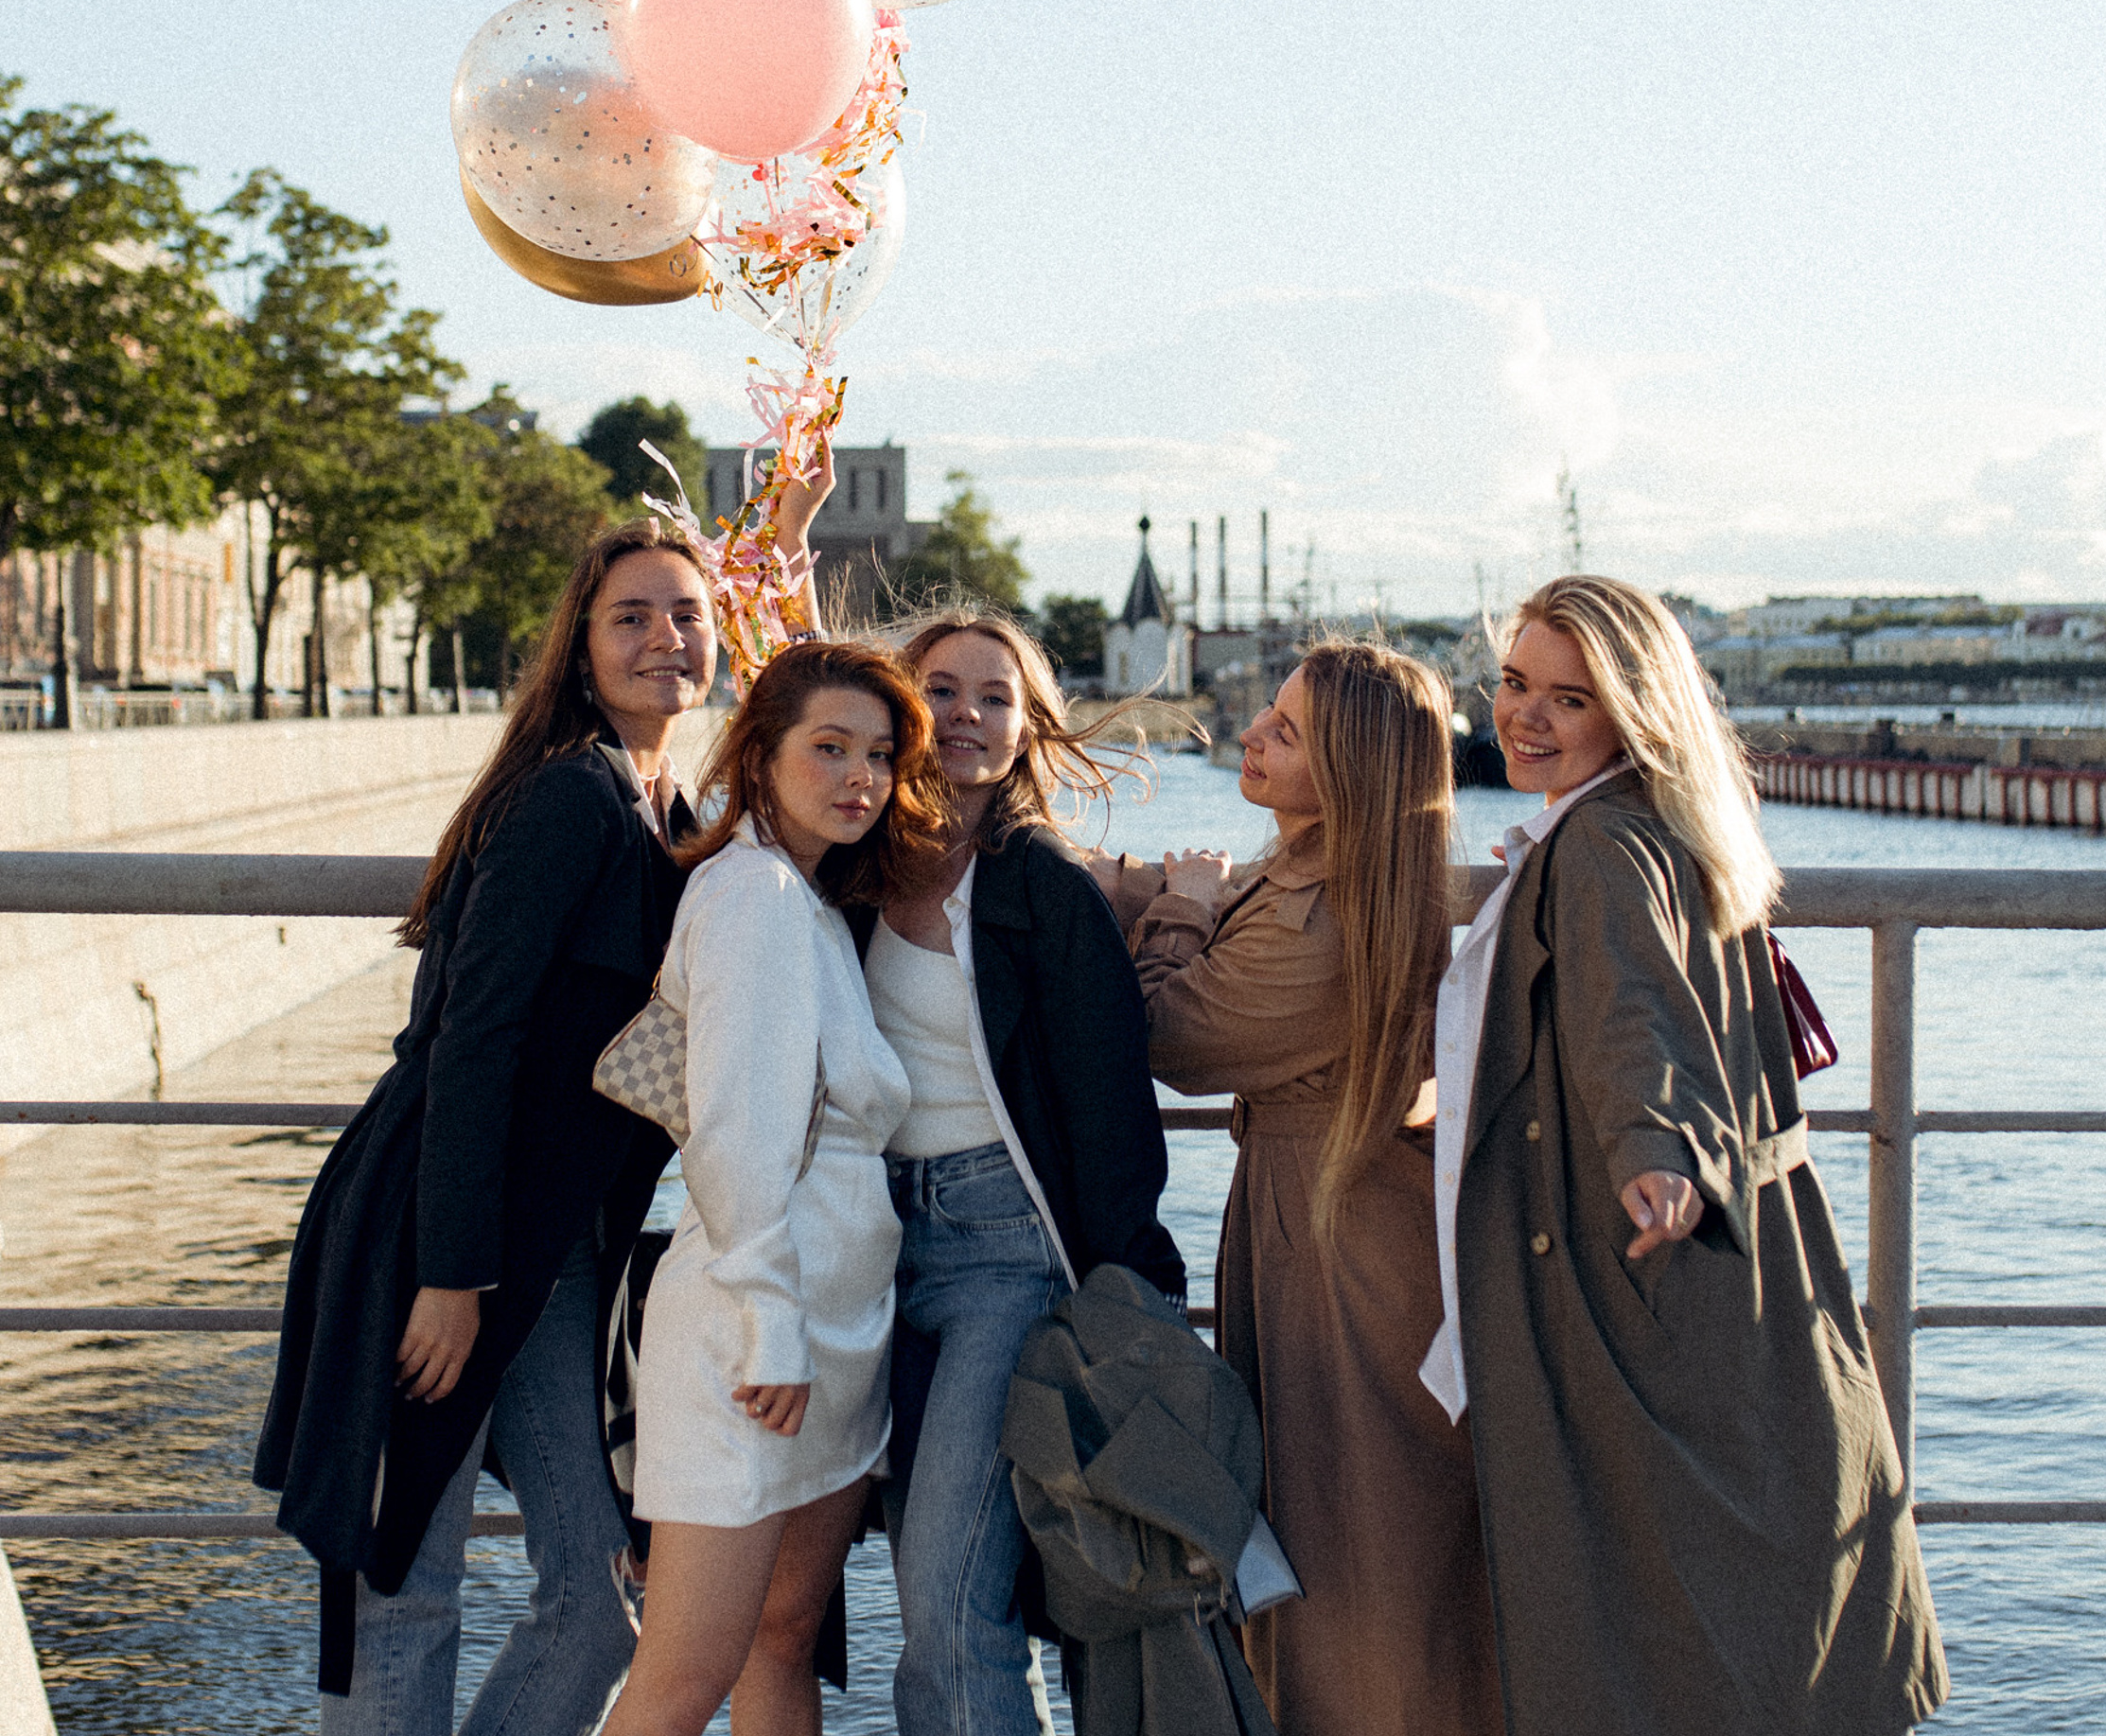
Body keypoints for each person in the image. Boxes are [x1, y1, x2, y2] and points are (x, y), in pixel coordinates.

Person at [1442, 576, 1947, 1734]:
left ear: (1630, 710)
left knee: (1647, 1627)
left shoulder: (1599, 849)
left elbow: (1634, 1018)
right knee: (1750, 1608)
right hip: (1737, 1268)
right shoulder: (1669, 822)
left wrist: (1648, 1148)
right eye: (1514, 683)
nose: (1523, 716)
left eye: (1568, 697)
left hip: (1640, 1272)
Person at [255, 515, 725, 1735]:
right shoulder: (569, 796)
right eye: (631, 615)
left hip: (552, 1250)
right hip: (435, 1231)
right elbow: (472, 1041)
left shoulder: (668, 805)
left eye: (688, 612)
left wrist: (785, 527)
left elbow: (820, 723)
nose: (664, 636)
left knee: (594, 1600)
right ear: (579, 648)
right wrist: (450, 1275)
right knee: (401, 1587)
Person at [1094, 640, 1499, 1736]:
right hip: (1322, 1212)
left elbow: (1172, 1034)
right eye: (1265, 715)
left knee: (1352, 1529)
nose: (1252, 736)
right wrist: (1148, 888)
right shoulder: (1320, 874)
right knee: (1337, 1522)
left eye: (1285, 730)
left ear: (1352, 771)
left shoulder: (1323, 921)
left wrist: (1174, 907)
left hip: (1336, 1240)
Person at [602, 637, 951, 1736]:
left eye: (880, 754)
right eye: (829, 746)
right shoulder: (751, 893)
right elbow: (737, 1135)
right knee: (682, 1676)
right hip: (759, 1335)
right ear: (759, 756)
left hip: (835, 1325)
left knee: (784, 1632)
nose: (859, 775)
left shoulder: (804, 896)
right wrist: (770, 1324)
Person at [868, 608, 1187, 1736]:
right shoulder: (848, 863)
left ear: (1027, 728)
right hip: (871, 1255)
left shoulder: (1043, 886)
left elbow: (1111, 1123)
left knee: (947, 1602)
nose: (964, 713)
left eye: (993, 696)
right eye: (940, 688)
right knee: (958, 1586)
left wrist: (1133, 1298)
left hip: (1007, 1254)